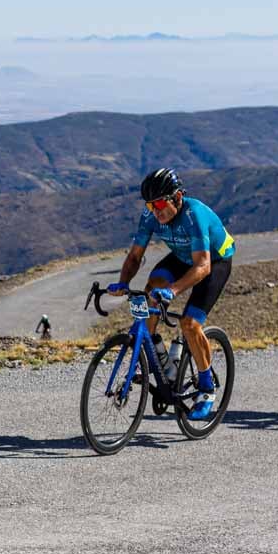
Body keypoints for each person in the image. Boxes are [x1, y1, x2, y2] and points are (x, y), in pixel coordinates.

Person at [106, 168, 235, 421]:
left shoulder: (193, 215)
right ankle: (163, 363)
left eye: (161, 203)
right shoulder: (151, 215)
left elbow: (203, 266)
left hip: (214, 261)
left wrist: (173, 290)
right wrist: (122, 283)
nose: (156, 210)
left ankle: (207, 388)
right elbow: (134, 256)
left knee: (189, 324)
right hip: (182, 257)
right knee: (149, 292)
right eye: (150, 205)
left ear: (177, 197)